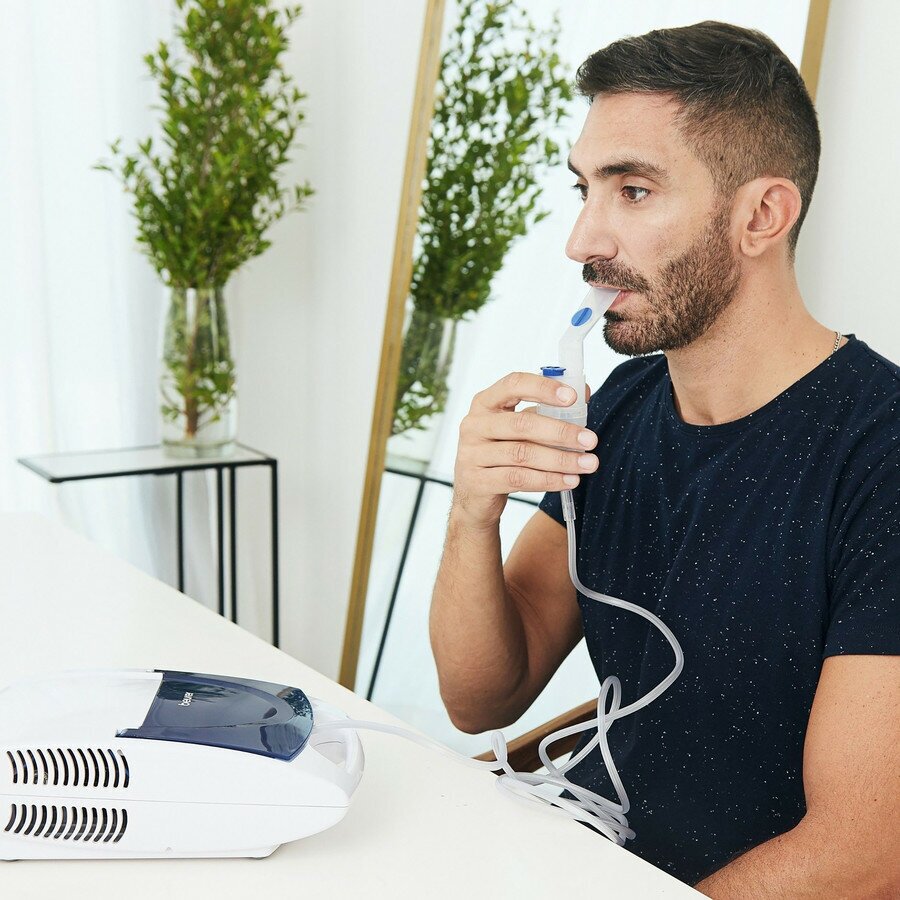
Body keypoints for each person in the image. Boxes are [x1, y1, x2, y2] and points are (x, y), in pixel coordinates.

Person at [429, 20, 900, 895]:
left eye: (634, 191)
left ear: (763, 214)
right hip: (581, 852)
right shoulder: (624, 404)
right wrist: (471, 513)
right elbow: (481, 699)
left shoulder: (881, 456)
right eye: (584, 189)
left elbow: (865, 854)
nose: (582, 241)